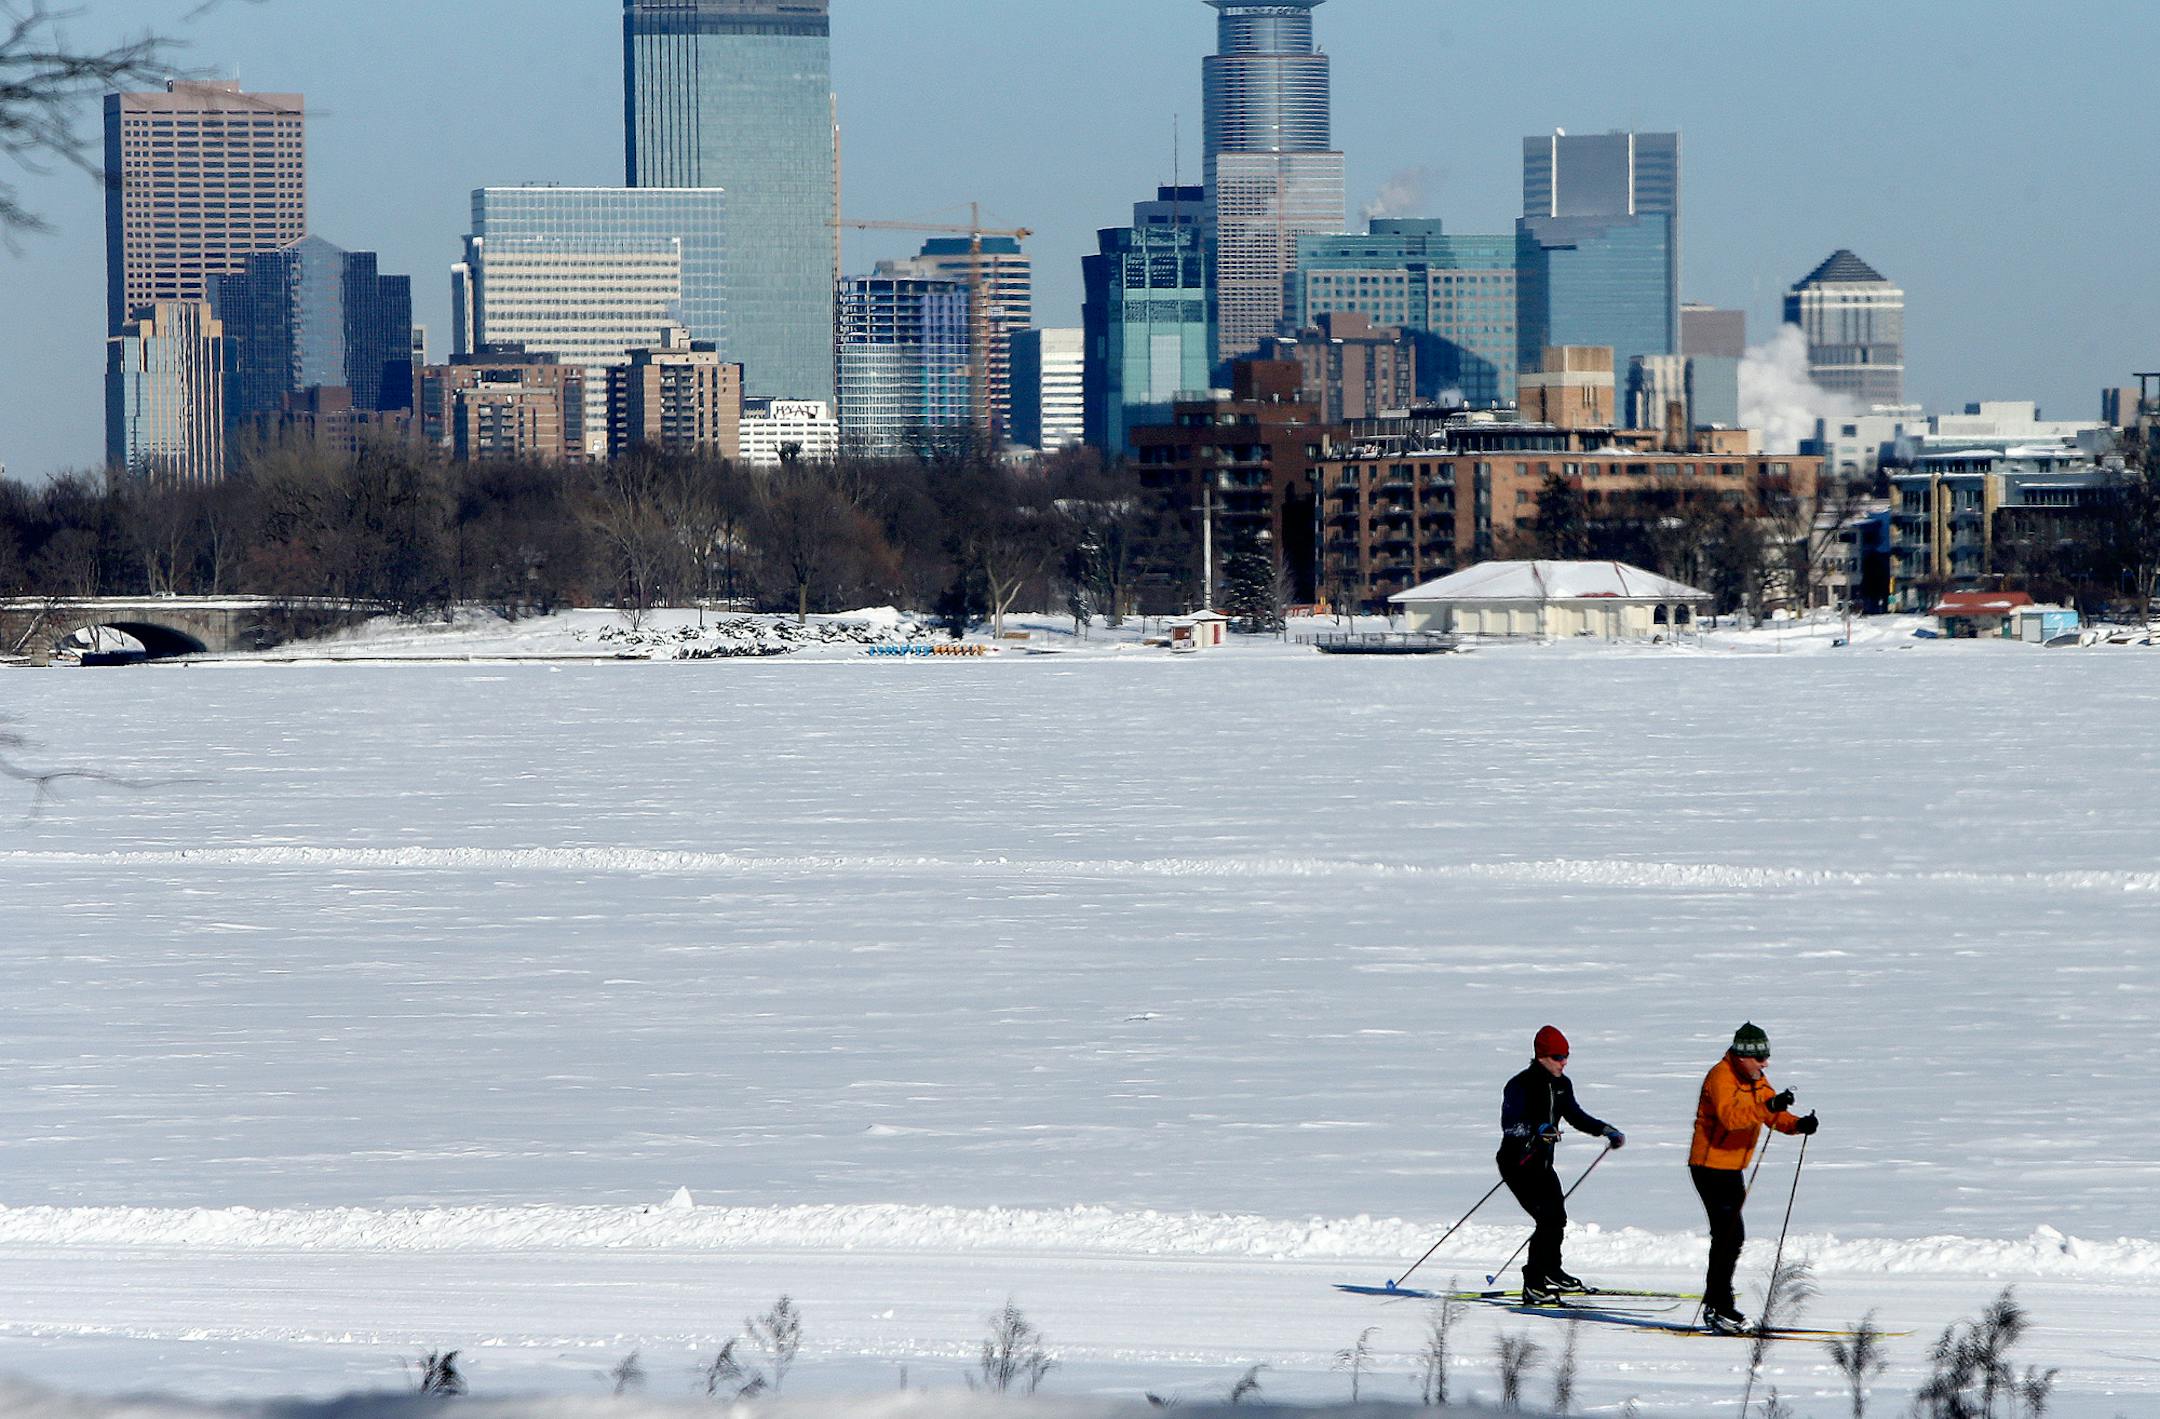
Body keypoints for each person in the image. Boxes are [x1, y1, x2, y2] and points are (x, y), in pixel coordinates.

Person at [1690, 1021, 1820, 1334]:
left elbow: (1771, 1113)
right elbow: (1731, 1118)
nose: (1765, 1063)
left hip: (1733, 1167)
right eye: (1760, 1058)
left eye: (1766, 1057)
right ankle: (1719, 1307)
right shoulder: (1720, 1076)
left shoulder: (1756, 1078)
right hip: (1709, 1166)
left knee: (1730, 1237)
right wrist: (1767, 1106)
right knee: (1729, 1236)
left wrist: (1797, 1124)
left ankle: (1716, 1303)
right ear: (1742, 1056)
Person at [1498, 1025, 1626, 1305]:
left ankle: (1551, 1272)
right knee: (1547, 1218)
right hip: (1517, 1163)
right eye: (1557, 1056)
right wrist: (1538, 1128)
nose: (1563, 1062)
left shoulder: (1561, 1085)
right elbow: (1511, 1125)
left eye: (1566, 1056)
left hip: (1542, 1164)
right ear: (1541, 1055)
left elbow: (1575, 1115)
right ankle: (1534, 1283)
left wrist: (1605, 1130)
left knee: (1557, 1218)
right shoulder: (1520, 1084)